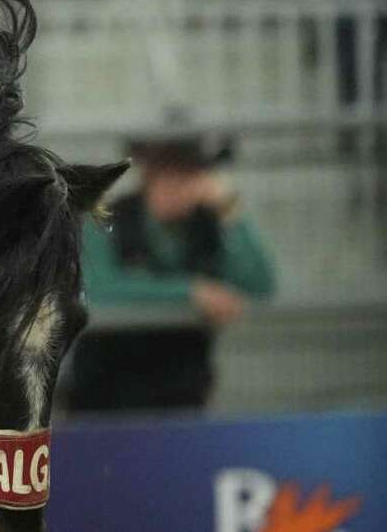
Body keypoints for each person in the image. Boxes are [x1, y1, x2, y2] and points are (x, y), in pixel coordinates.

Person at [63, 133, 276, 412]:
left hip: (182, 397)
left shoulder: (210, 227)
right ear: (148, 172)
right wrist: (191, 292)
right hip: (105, 395)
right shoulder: (107, 219)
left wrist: (229, 211)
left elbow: (261, 284)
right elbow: (98, 289)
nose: (176, 182)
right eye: (166, 169)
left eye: (189, 171)